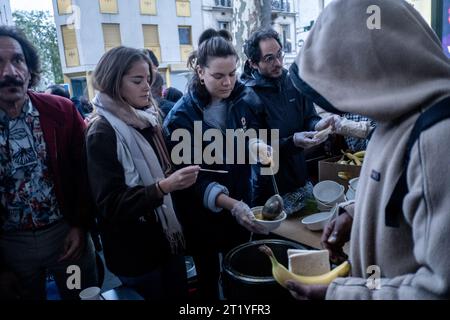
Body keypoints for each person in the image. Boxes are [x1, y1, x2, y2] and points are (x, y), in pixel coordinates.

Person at [286, 0, 450, 299]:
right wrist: (355, 213)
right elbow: (399, 193)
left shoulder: (440, 136)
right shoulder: (397, 117)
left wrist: (339, 295)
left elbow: (439, 290)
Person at [85, 46, 200, 300]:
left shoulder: (149, 119)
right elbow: (110, 205)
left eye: (148, 79)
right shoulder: (102, 133)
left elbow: (166, 166)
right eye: (137, 80)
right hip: (135, 254)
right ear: (113, 82)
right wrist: (163, 188)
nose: (147, 86)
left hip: (168, 242)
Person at [163, 29, 267, 300]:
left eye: (232, 73)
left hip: (240, 202)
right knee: (208, 281)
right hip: (201, 217)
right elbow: (192, 179)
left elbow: (248, 135)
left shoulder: (241, 99)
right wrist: (233, 205)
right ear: (200, 72)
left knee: (240, 275)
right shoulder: (180, 118)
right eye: (218, 76)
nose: (228, 82)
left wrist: (256, 145)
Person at [0, 26, 97, 300]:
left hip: (67, 238)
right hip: (10, 249)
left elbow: (85, 173)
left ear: (29, 68)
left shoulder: (62, 112)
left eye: (18, 60)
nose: (10, 72)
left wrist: (80, 225)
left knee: (82, 294)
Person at [241, 28, 339, 215]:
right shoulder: (247, 97)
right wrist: (292, 141)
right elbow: (254, 150)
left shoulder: (293, 82)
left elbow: (309, 118)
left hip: (301, 179)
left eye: (279, 54)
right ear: (253, 63)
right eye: (269, 59)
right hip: (269, 190)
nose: (278, 63)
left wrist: (319, 126)